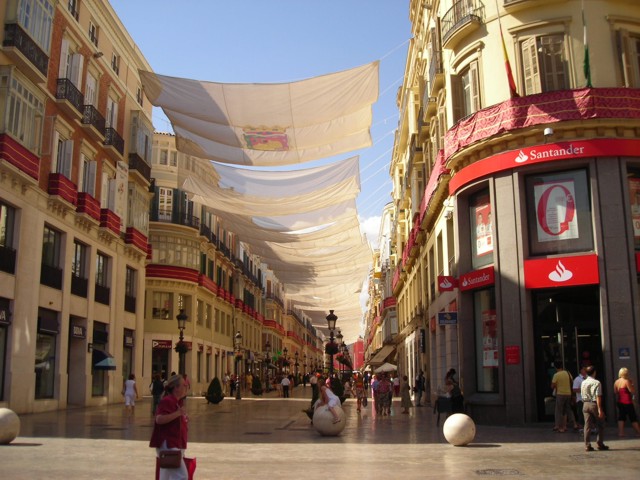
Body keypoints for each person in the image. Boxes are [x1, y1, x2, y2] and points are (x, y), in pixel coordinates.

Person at [149, 374, 189, 479]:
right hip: (169, 444)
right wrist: (178, 413)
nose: (186, 387)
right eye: (184, 385)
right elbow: (159, 419)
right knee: (182, 476)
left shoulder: (177, 402)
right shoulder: (167, 401)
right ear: (176, 388)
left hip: (175, 444)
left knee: (165, 477)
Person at [581, 365, 609, 451]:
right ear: (594, 372)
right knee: (600, 423)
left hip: (585, 404)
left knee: (587, 425)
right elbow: (598, 396)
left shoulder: (583, 382)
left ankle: (587, 445)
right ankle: (600, 443)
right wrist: (600, 409)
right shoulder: (597, 382)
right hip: (593, 404)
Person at [613, 367, 640, 436]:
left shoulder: (616, 382)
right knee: (633, 417)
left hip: (620, 401)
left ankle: (621, 432)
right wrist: (632, 384)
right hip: (627, 401)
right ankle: (638, 432)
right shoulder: (626, 381)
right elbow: (632, 391)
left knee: (621, 417)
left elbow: (615, 392)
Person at [551, 361, 574, 433]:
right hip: (568, 394)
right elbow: (572, 381)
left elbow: (552, 386)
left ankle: (559, 426)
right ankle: (571, 424)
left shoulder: (556, 375)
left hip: (560, 394)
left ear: (555, 367)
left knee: (559, 411)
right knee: (567, 410)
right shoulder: (567, 373)